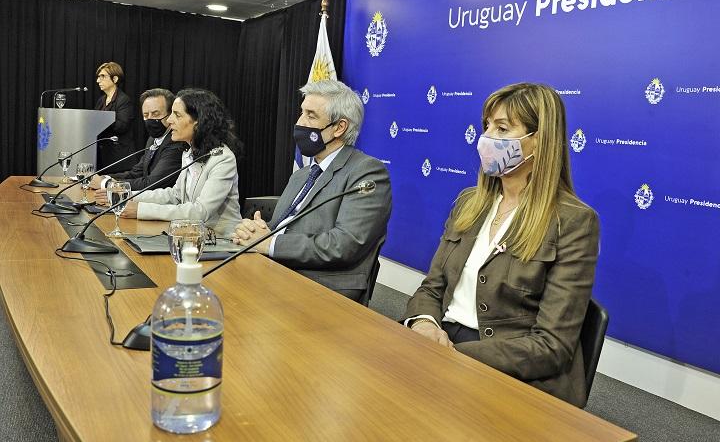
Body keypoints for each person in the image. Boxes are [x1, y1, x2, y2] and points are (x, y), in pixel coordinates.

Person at [403, 83, 600, 408]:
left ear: (539, 139)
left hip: (509, 371)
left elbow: (552, 345)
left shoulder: (573, 221)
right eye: (487, 126)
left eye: (502, 128)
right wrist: (424, 325)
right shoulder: (470, 203)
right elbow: (431, 288)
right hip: (439, 341)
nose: (486, 138)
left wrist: (450, 354)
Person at [231, 80, 392, 302]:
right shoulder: (302, 174)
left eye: (311, 115)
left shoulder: (366, 172)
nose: (299, 122)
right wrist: (259, 231)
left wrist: (270, 243)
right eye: (301, 113)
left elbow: (344, 244)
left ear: (339, 127)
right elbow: (287, 227)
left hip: (322, 287)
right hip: (275, 272)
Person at [117, 88, 242, 236]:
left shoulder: (222, 158)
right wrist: (125, 195)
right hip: (190, 235)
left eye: (177, 115)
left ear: (198, 122)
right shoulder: (189, 152)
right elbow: (174, 195)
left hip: (222, 241)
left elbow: (200, 212)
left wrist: (141, 210)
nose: (169, 121)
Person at [91, 88, 185, 192]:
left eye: (156, 114)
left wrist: (107, 184)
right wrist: (104, 178)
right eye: (146, 115)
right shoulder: (152, 139)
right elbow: (135, 173)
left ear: (170, 114)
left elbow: (152, 183)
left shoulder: (176, 143)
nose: (150, 119)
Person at [94, 62, 135, 171]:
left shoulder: (124, 100)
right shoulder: (101, 100)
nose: (98, 80)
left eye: (102, 76)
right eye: (98, 77)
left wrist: (102, 118)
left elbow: (121, 126)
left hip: (118, 159)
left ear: (115, 79)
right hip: (101, 157)